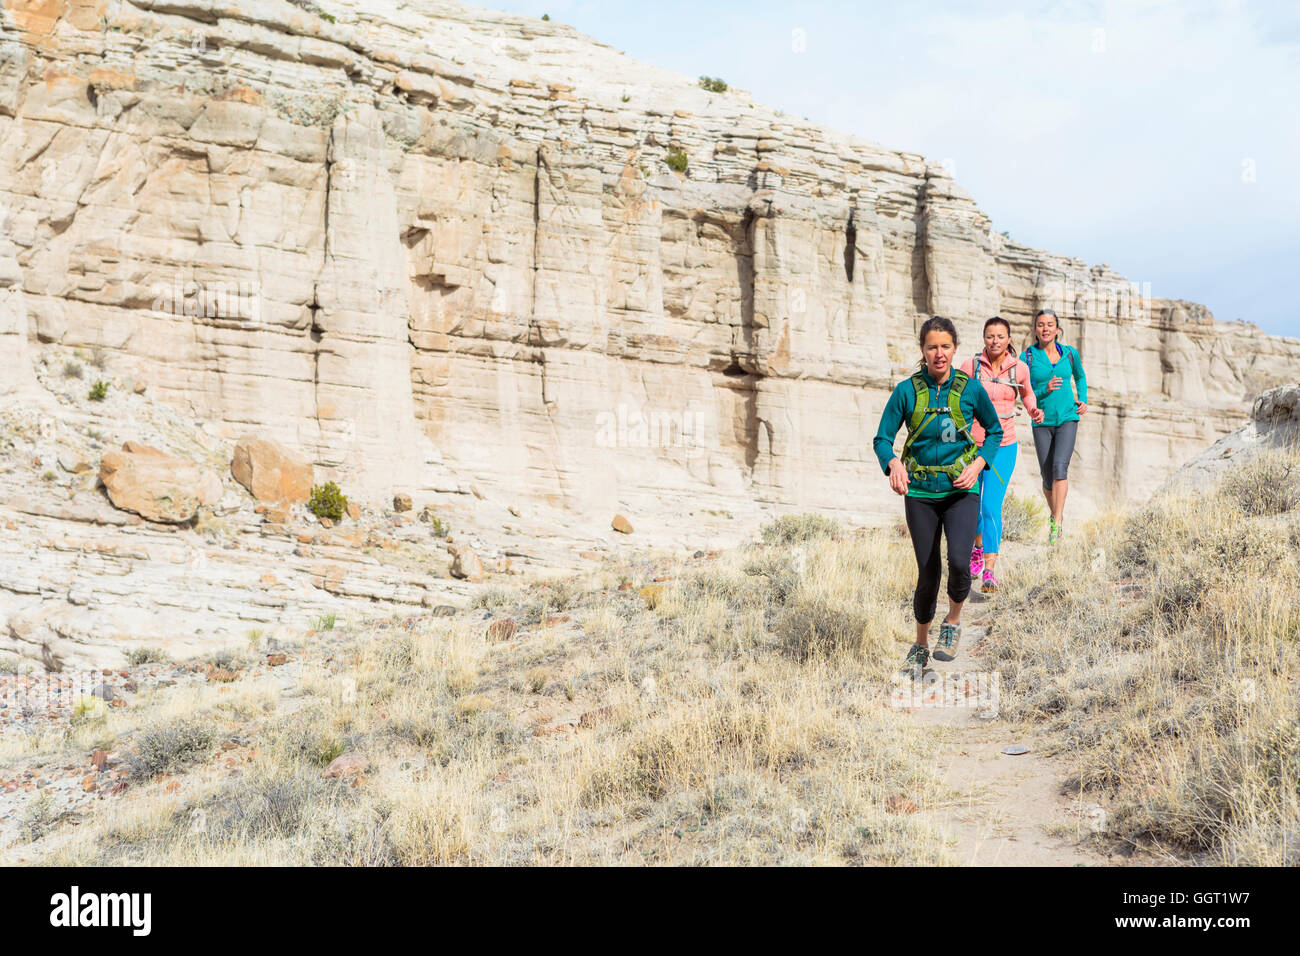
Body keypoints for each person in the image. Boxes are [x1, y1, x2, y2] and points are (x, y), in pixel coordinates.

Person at [874, 316, 1002, 678]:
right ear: (923, 350)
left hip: (962, 490)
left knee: (961, 563)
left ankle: (953, 621)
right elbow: (882, 439)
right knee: (928, 571)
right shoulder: (906, 390)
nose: (939, 353)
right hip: (919, 493)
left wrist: (978, 466)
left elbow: (993, 432)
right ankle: (920, 644)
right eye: (932, 347)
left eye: (945, 346)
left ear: (955, 349)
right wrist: (893, 464)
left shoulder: (971, 388)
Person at [959, 317, 1044, 592]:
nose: (995, 341)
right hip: (972, 445)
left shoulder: (1019, 369)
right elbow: (954, 397)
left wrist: (1033, 409)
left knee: (990, 506)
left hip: (1004, 446)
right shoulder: (970, 367)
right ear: (983, 338)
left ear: (1009, 339)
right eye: (989, 336)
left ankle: (989, 570)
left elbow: (1027, 394)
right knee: (971, 506)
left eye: (1000, 336)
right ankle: (977, 546)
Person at [1023, 309, 1088, 544]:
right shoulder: (1027, 357)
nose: (1045, 328)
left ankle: (1057, 522)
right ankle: (1054, 514)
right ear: (1035, 330)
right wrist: (1045, 389)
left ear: (1057, 329)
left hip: (1068, 418)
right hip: (1041, 421)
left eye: (1050, 324)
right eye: (1041, 324)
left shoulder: (1070, 354)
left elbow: (1080, 377)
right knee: (1047, 476)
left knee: (1060, 467)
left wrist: (1083, 399)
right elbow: (1025, 390)